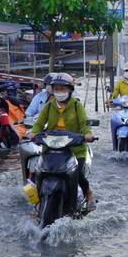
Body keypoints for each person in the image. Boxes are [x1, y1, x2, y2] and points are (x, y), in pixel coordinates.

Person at [29, 73, 97, 211]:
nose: (59, 92)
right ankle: (37, 202)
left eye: (62, 89)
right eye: (56, 89)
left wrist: (87, 134)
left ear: (70, 90)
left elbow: (84, 124)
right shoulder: (49, 106)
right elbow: (39, 124)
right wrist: (33, 133)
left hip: (74, 149)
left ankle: (88, 193)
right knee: (39, 171)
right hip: (51, 148)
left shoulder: (77, 105)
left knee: (78, 174)